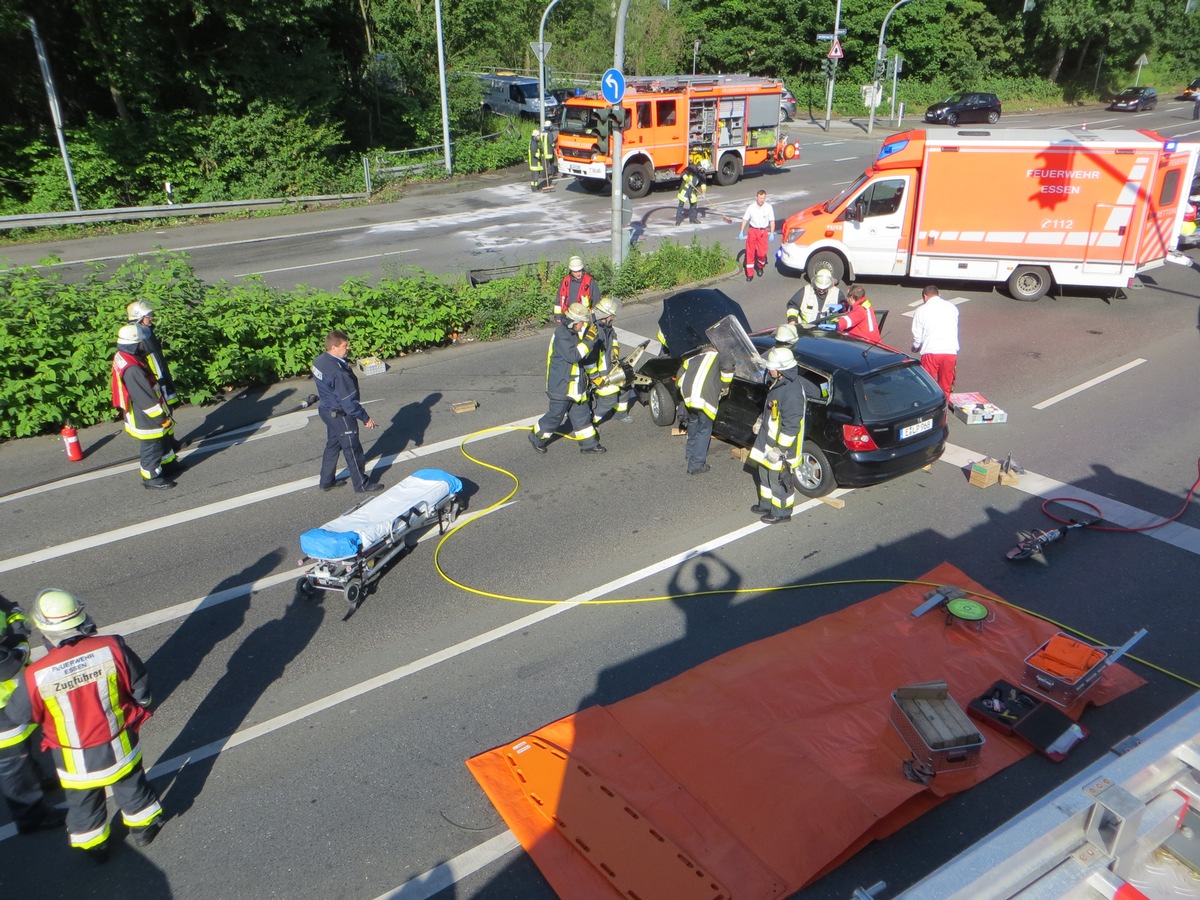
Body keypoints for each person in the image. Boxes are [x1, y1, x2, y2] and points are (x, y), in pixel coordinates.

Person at [5, 590, 163, 863]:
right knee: (132, 787)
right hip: (119, 745)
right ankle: (144, 829)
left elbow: (19, 714)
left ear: (44, 630)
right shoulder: (112, 646)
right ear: (83, 618)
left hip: (73, 761)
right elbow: (141, 690)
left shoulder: (36, 674)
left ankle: (95, 847)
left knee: (83, 805)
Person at [0, 592, 66, 836]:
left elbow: (7, 605)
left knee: (22, 749)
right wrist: (20, 643)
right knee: (11, 763)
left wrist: (14, 613)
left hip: (9, 699)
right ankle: (31, 816)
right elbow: (7, 667)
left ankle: (35, 779)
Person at [312, 329, 383, 494]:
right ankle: (361, 484)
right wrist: (365, 418)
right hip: (341, 415)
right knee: (353, 450)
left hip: (326, 410)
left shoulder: (319, 361)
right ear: (334, 347)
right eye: (345, 345)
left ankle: (326, 480)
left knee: (333, 445)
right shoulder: (338, 372)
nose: (348, 348)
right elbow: (349, 403)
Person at [529, 303, 605, 454]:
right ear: (574, 322)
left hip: (576, 387)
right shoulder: (561, 334)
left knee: (582, 416)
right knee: (555, 417)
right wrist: (589, 340)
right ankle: (536, 437)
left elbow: (582, 359)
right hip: (561, 387)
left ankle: (589, 445)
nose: (583, 325)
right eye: (582, 322)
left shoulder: (573, 333)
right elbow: (574, 356)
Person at [111, 325, 176, 489]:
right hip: (145, 412)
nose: (144, 344)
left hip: (146, 409)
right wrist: (160, 417)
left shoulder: (126, 356)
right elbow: (144, 397)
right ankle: (151, 477)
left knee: (162, 438)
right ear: (135, 342)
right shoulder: (132, 369)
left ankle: (167, 464)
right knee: (152, 442)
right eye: (141, 341)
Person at [748, 347, 806, 524]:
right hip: (768, 440)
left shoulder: (792, 392)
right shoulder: (780, 382)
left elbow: (791, 427)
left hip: (780, 447)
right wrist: (760, 420)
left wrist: (780, 450)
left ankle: (781, 512)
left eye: (772, 367)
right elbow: (772, 409)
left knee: (779, 479)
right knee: (764, 472)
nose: (769, 370)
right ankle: (767, 504)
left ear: (782, 369)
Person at [126, 300, 181, 473]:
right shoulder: (140, 337)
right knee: (161, 421)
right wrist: (162, 385)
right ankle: (155, 469)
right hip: (156, 385)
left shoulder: (146, 333)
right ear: (140, 318)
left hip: (160, 382)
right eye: (148, 316)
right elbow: (152, 364)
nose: (151, 318)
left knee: (167, 418)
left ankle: (169, 450)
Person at [679, 348, 734, 475]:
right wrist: (724, 387)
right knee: (704, 429)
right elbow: (727, 370)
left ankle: (690, 453)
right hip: (705, 397)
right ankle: (696, 465)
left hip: (689, 395)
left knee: (694, 421)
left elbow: (680, 375)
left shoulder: (694, 358)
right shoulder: (723, 355)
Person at [587, 296, 635, 426]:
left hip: (611, 365)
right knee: (609, 399)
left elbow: (613, 337)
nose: (613, 318)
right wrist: (595, 376)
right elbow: (590, 358)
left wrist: (615, 350)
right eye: (611, 315)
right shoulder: (595, 331)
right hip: (601, 371)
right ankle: (592, 422)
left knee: (627, 383)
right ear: (605, 315)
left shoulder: (607, 326)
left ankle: (620, 413)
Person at [910, 284, 959, 394]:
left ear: (925, 296)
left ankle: (930, 409)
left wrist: (916, 347)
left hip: (931, 352)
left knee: (927, 385)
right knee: (946, 386)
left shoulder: (921, 310)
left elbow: (918, 335)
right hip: (950, 351)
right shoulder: (952, 307)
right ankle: (943, 409)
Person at [738, 190, 776, 281]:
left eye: (763, 198)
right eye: (760, 198)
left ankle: (760, 266)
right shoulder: (751, 207)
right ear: (756, 197)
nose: (762, 200)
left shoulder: (768, 207)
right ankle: (749, 273)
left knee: (762, 253)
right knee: (750, 252)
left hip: (763, 232)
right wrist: (741, 231)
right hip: (753, 231)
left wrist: (772, 233)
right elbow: (745, 219)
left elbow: (772, 221)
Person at [528, 126, 552, 192]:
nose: (539, 137)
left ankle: (535, 187)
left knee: (535, 177)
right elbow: (534, 154)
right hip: (534, 164)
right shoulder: (533, 144)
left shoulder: (534, 143)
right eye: (538, 136)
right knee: (535, 177)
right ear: (535, 137)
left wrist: (541, 151)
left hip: (535, 163)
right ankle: (534, 188)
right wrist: (540, 155)